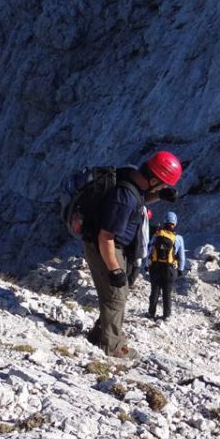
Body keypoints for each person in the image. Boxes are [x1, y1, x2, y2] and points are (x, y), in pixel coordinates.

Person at [83, 150, 182, 359]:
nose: (164, 188)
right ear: (153, 179)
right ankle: (113, 347)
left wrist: (159, 195)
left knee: (118, 294)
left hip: (118, 247)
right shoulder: (125, 197)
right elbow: (106, 237)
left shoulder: (132, 177)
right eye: (162, 184)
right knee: (116, 296)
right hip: (108, 247)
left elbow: (142, 197)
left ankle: (99, 335)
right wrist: (114, 268)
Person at [147, 211, 186, 321]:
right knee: (167, 293)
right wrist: (180, 270)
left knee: (155, 290)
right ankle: (166, 315)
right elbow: (182, 257)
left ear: (164, 222)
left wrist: (146, 265)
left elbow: (150, 250)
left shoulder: (156, 235)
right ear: (175, 223)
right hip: (170, 269)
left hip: (155, 267)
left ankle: (151, 313)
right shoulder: (178, 238)